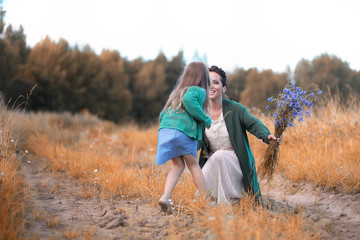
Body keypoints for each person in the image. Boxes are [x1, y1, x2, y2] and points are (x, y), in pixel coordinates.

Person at [198, 65, 281, 205]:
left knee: (220, 156)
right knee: (204, 175)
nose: (211, 86)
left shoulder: (235, 109)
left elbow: (253, 124)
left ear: (223, 88)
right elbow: (195, 141)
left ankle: (235, 198)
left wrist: (267, 136)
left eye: (216, 82)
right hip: (212, 160)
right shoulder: (200, 112)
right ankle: (214, 200)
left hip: (234, 161)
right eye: (207, 82)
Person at [155, 62, 212, 213]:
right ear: (204, 77)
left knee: (178, 166)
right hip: (183, 132)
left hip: (166, 131)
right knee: (193, 166)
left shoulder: (176, 93)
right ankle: (208, 200)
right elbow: (189, 101)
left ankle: (166, 197)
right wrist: (205, 120)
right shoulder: (197, 90)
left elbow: (162, 114)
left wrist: (170, 126)